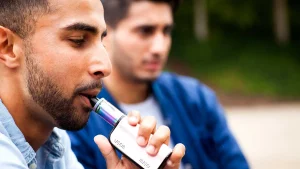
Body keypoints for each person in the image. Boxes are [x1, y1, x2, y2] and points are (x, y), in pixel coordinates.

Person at [0, 0, 186, 169]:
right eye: (78, 40)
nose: (105, 67)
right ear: (7, 47)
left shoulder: (55, 141)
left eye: (101, 42)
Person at [67, 0, 250, 169]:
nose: (159, 47)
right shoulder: (75, 120)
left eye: (166, 31)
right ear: (105, 34)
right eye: (145, 31)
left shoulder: (197, 99)